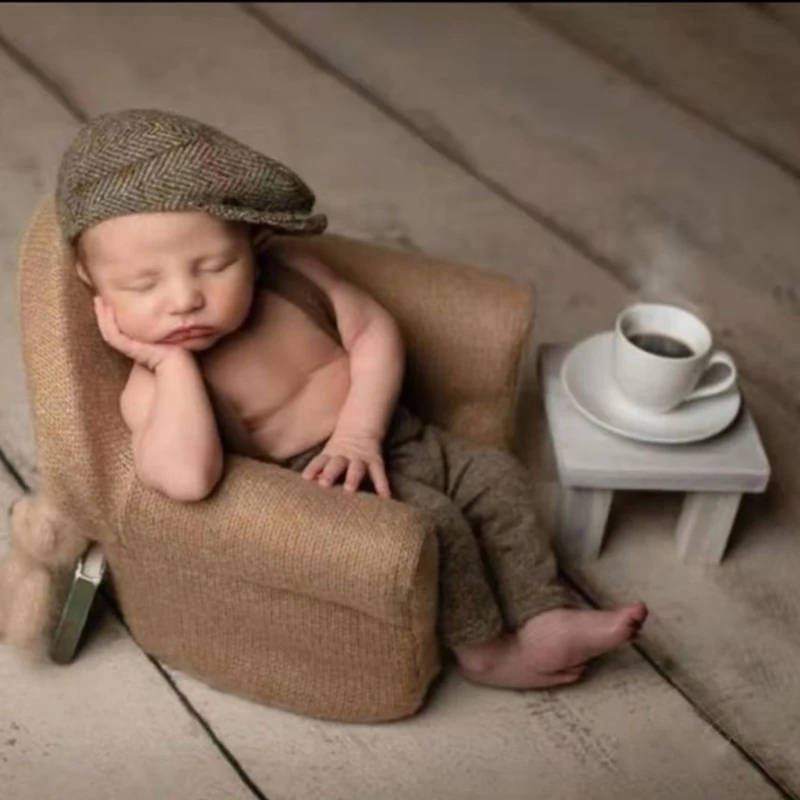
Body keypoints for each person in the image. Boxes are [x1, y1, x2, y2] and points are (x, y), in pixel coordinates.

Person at [56, 109, 648, 690]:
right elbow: (186, 477)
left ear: (255, 243)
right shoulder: (156, 385)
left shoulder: (290, 274)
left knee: (496, 478)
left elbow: (373, 331)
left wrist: (362, 430)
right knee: (436, 526)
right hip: (328, 483)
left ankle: (542, 613)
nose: (185, 299)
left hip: (393, 434)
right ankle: (487, 652)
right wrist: (171, 362)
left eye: (215, 266)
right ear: (94, 285)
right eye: (142, 284)